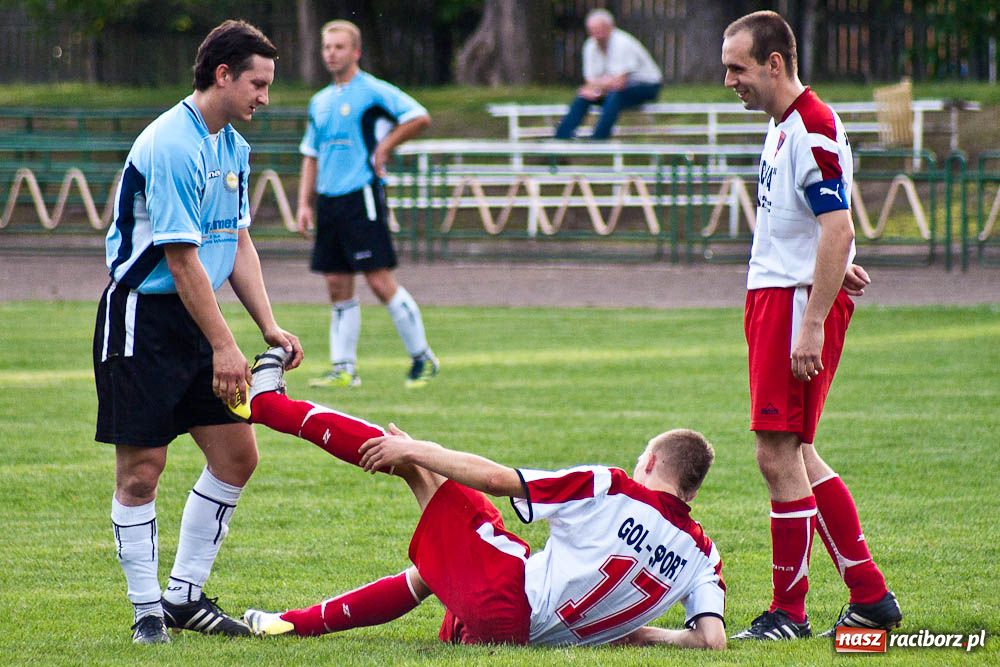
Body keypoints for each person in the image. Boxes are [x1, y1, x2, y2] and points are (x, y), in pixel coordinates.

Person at [232, 348, 726, 649]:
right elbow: (711, 640)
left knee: (409, 460)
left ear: (654, 464)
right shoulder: (705, 557)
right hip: (513, 627)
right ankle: (285, 626)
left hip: (508, 599)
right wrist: (632, 633)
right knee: (433, 570)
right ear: (693, 487)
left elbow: (496, 480)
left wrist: (423, 449)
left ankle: (267, 403)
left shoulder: (615, 486)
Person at [93, 20, 304, 645]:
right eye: (258, 84)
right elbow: (182, 259)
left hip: (197, 317)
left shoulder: (230, 146)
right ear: (223, 75)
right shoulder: (173, 143)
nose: (265, 97)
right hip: (143, 319)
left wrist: (267, 326)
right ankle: (146, 612)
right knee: (142, 470)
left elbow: (235, 241)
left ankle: (183, 595)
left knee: (237, 457)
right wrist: (224, 345)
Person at [720, 11, 902, 640]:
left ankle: (788, 613)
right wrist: (833, 267)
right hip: (780, 295)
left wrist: (813, 320)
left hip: (792, 307)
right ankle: (870, 597)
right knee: (795, 451)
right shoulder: (782, 126)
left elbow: (840, 225)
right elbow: (813, 228)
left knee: (776, 454)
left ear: (775, 63)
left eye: (738, 68)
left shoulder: (814, 126)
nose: (729, 80)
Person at [296, 20, 437, 390]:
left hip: (361, 196)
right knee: (336, 282)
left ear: (355, 51)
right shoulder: (320, 101)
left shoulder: (373, 91)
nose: (332, 53)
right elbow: (311, 153)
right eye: (327, 47)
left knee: (378, 279)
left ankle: (423, 358)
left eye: (339, 47)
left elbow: (419, 116)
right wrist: (304, 203)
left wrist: (385, 148)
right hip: (329, 202)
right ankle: (344, 369)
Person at [554, 9, 662, 140]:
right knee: (583, 96)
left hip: (647, 86)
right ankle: (561, 137)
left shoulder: (622, 42)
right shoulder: (590, 46)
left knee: (615, 95)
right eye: (593, 30)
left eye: (600, 29)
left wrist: (598, 86)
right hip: (612, 90)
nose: (597, 34)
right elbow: (590, 82)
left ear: (610, 27)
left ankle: (599, 138)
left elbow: (620, 82)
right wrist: (596, 87)